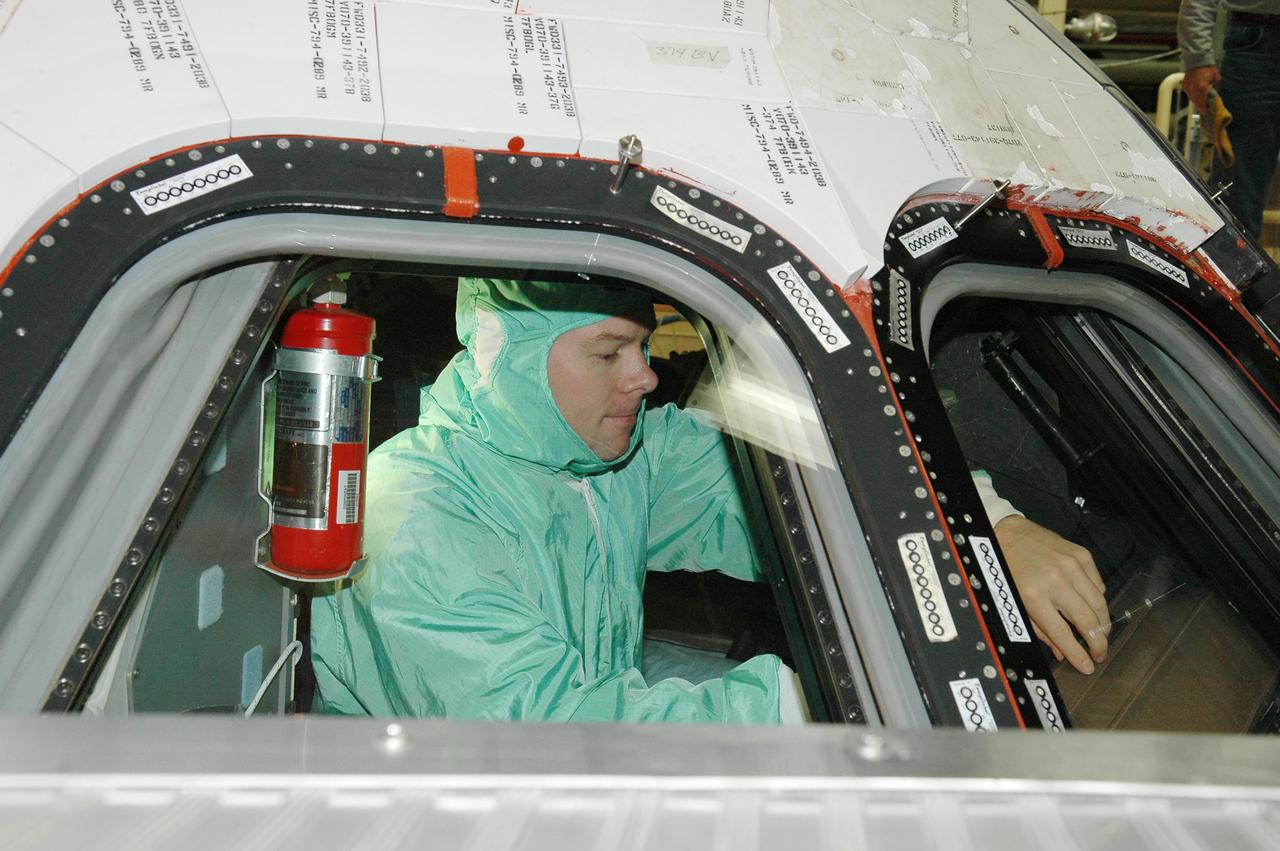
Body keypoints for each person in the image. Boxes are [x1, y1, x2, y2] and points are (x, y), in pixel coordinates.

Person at [310, 277, 1108, 723]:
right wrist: (821, 699)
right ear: (507, 355)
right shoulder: (413, 516)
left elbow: (825, 485)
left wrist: (989, 528)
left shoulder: (609, 457)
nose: (646, 376)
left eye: (646, 347)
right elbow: (559, 737)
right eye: (608, 351)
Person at [1179, 0, 1280, 238]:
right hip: (1258, 44)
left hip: (1257, 41)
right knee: (1239, 194)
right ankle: (1234, 273)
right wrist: (1197, 59)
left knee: (1240, 189)